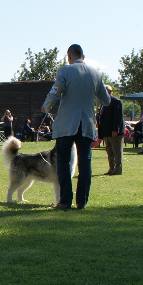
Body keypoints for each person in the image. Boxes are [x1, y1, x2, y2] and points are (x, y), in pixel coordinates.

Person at [43, 44, 111, 210]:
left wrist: (46, 106)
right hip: (86, 124)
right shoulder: (96, 74)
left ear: (69, 56)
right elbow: (106, 100)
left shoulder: (64, 71)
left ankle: (65, 201)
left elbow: (55, 91)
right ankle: (82, 202)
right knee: (85, 163)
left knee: (63, 161)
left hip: (67, 123)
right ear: (83, 56)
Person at [97, 88, 124, 175]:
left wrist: (115, 129)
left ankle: (118, 170)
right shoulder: (103, 102)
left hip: (114, 132)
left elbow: (118, 117)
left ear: (110, 92)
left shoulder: (116, 102)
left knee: (116, 152)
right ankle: (111, 169)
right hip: (106, 132)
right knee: (109, 151)